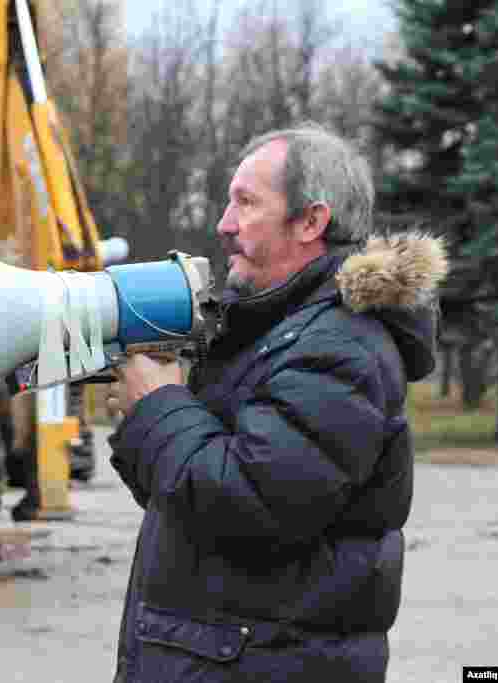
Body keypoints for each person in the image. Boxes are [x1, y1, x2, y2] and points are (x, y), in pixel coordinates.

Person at [106, 123, 448, 682]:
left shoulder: (342, 348)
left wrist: (161, 404)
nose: (223, 223)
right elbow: (178, 499)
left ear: (311, 221)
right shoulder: (276, 332)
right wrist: (147, 416)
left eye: (245, 203)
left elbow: (251, 503)